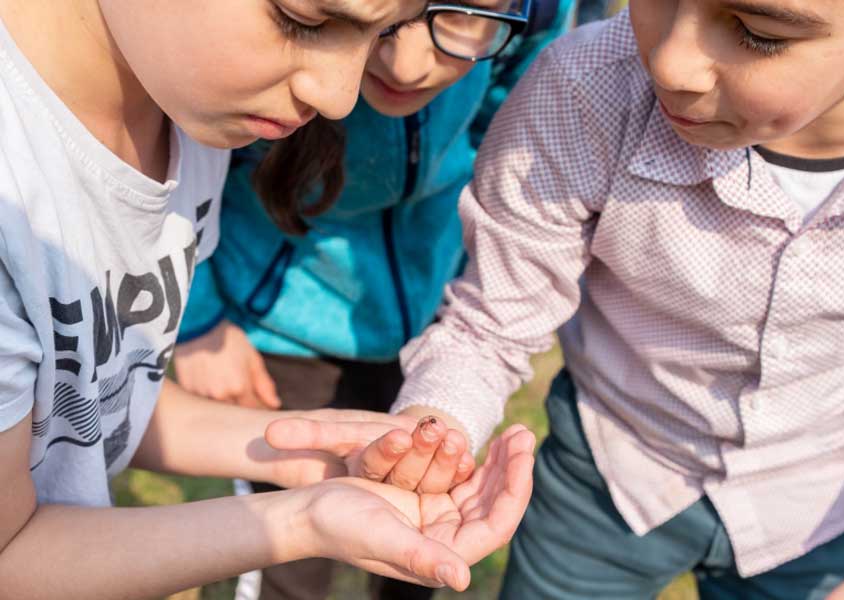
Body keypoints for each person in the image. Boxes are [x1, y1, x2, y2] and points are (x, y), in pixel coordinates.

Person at [0, 1, 535, 597]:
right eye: (303, 20)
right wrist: (302, 519)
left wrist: (313, 455)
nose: (341, 98)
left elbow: (94, 399)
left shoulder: (183, 113)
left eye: (377, 30)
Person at [380, 0, 844, 598]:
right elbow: (490, 325)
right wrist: (433, 434)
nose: (672, 65)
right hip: (606, 475)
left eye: (758, 35)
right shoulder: (583, 89)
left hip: (823, 509)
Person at [172, 1, 572, 598]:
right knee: (285, 557)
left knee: (419, 548)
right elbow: (176, 164)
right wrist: (200, 323)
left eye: (462, 15)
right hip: (283, 338)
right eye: (388, 20)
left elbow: (503, 126)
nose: (409, 67)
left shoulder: (533, 21)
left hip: (431, 332)